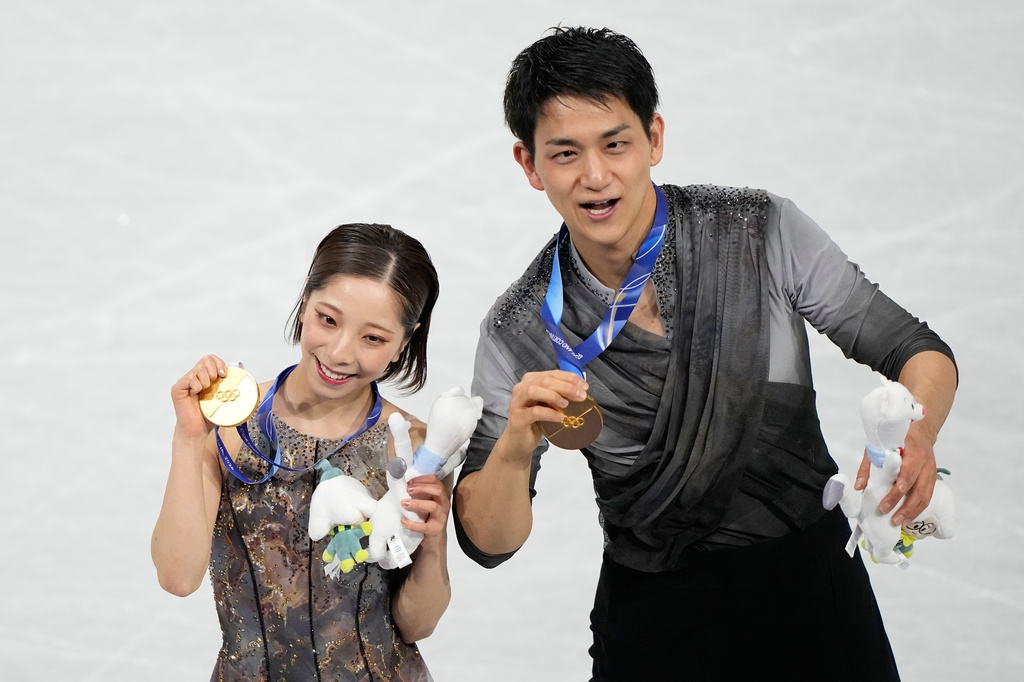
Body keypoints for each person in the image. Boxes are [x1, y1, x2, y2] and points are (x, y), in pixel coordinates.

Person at [452, 27, 958, 680]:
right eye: (566, 153)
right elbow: (488, 543)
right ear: (530, 165)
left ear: (654, 138)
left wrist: (918, 431)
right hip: (659, 624)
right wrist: (518, 440)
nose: (596, 176)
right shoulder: (521, 326)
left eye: (616, 144)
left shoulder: (760, 232)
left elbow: (916, 348)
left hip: (815, 596)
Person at [152, 223, 447, 681]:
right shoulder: (230, 431)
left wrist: (432, 541)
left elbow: (417, 623)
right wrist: (190, 441)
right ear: (305, 302)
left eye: (373, 338)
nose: (340, 352)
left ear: (404, 341)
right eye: (327, 320)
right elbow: (177, 577)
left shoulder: (413, 445)